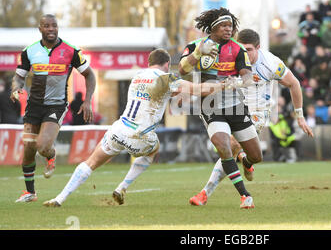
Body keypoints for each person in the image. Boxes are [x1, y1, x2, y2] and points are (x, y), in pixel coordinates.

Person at [42, 49, 227, 207]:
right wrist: (224, 85)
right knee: (154, 149)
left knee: (90, 163)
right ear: (167, 63)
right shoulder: (166, 78)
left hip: (118, 129)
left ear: (149, 63)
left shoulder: (138, 76)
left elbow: (159, 93)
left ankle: (60, 197)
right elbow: (199, 89)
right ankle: (122, 187)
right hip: (140, 136)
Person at [188, 29, 314, 206]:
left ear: (258, 48)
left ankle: (211, 188)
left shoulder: (270, 63)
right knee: (227, 146)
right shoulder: (229, 57)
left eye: (249, 50)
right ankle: (218, 184)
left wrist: (299, 116)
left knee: (233, 147)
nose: (245, 54)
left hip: (256, 112)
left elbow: (294, 83)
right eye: (242, 49)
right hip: (231, 108)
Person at [178, 8, 261, 209]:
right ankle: (245, 196)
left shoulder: (238, 48)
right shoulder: (195, 46)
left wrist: (240, 82)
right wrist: (198, 54)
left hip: (236, 107)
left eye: (230, 26)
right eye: (224, 25)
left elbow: (248, 76)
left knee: (256, 156)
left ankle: (245, 161)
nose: (228, 29)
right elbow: (182, 70)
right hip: (211, 107)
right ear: (213, 26)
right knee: (223, 148)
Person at [11, 14, 96, 203]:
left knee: (42, 146)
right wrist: (16, 88)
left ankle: (51, 153)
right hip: (34, 106)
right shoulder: (29, 51)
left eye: (54, 26)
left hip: (56, 105)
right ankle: (30, 193)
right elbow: (19, 76)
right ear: (40, 29)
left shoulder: (71, 51)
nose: (51, 29)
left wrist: (87, 100)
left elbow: (90, 75)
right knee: (28, 149)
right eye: (47, 26)